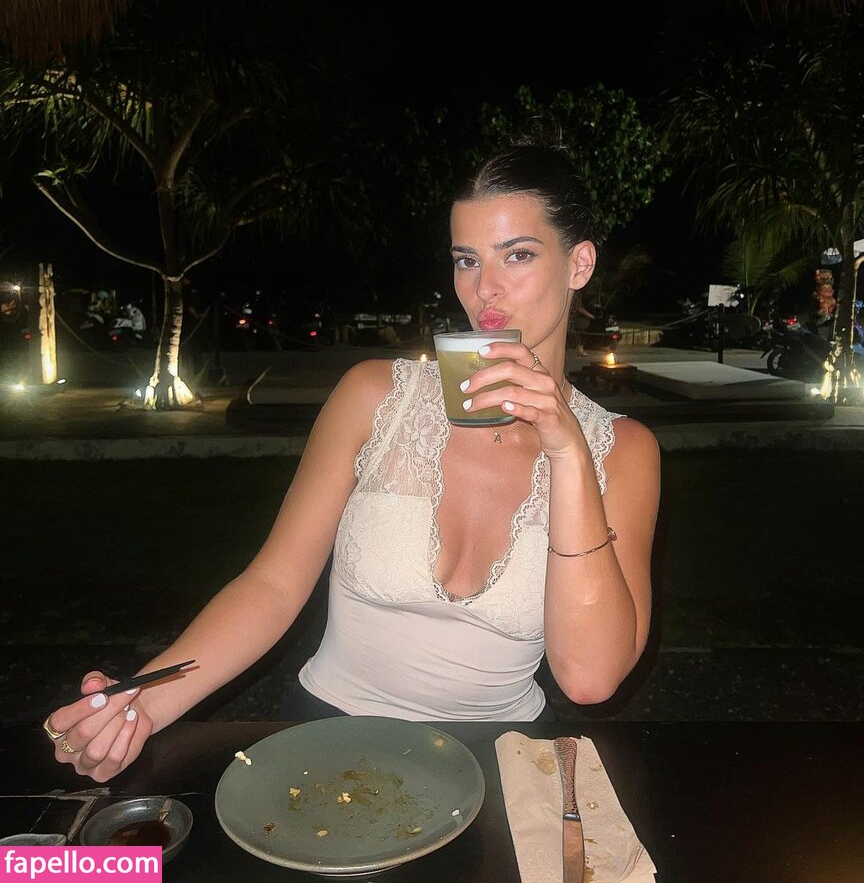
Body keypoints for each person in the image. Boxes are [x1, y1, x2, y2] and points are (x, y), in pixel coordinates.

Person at [43, 139, 660, 782]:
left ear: (579, 263)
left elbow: (590, 679)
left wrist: (567, 452)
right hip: (330, 737)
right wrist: (143, 705)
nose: (485, 289)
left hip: (502, 761)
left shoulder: (624, 450)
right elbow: (274, 585)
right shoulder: (374, 395)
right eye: (466, 260)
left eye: (519, 255)